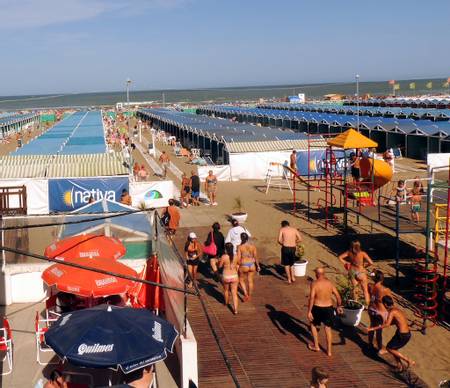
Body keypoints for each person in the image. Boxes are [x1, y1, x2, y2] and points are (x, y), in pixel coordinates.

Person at [366, 295, 415, 372]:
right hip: (405, 333)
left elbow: (387, 325)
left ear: (385, 304)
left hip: (402, 335)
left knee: (389, 348)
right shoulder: (397, 309)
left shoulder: (392, 312)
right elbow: (396, 322)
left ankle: (408, 360)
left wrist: (372, 328)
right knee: (393, 349)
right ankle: (399, 366)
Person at [307, 267, 342, 356]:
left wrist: (309, 311)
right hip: (328, 307)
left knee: (313, 325)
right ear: (324, 274)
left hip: (317, 307)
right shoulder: (330, 283)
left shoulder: (314, 284)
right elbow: (338, 296)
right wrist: (338, 306)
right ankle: (329, 351)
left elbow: (311, 298)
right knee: (328, 329)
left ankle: (316, 346)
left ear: (317, 274)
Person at [338, 240, 374, 305]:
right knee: (365, 290)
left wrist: (346, 263)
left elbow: (340, 257)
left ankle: (356, 303)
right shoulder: (362, 253)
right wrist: (365, 266)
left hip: (352, 271)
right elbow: (371, 262)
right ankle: (367, 305)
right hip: (361, 272)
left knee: (355, 290)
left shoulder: (349, 252)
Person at [368, 270, 392, 354]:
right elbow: (390, 302)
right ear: (382, 279)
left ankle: (370, 343)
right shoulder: (385, 290)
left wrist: (373, 272)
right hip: (380, 312)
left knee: (371, 325)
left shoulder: (370, 286)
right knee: (379, 330)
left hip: (371, 309)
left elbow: (370, 274)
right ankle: (380, 348)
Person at [237, 232, 259, 302]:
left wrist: (238, 265)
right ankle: (249, 296)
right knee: (250, 281)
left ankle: (245, 294)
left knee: (241, 280)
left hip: (244, 265)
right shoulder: (253, 247)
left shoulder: (240, 247)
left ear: (241, 238)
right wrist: (258, 266)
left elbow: (238, 258)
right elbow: (256, 257)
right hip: (252, 264)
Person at [218, 242, 239, 314]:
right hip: (234, 276)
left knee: (226, 290)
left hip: (226, 276)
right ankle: (235, 310)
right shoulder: (236, 256)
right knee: (234, 293)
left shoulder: (224, 257)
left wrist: (218, 262)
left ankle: (226, 303)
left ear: (226, 249)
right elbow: (238, 264)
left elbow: (220, 266)